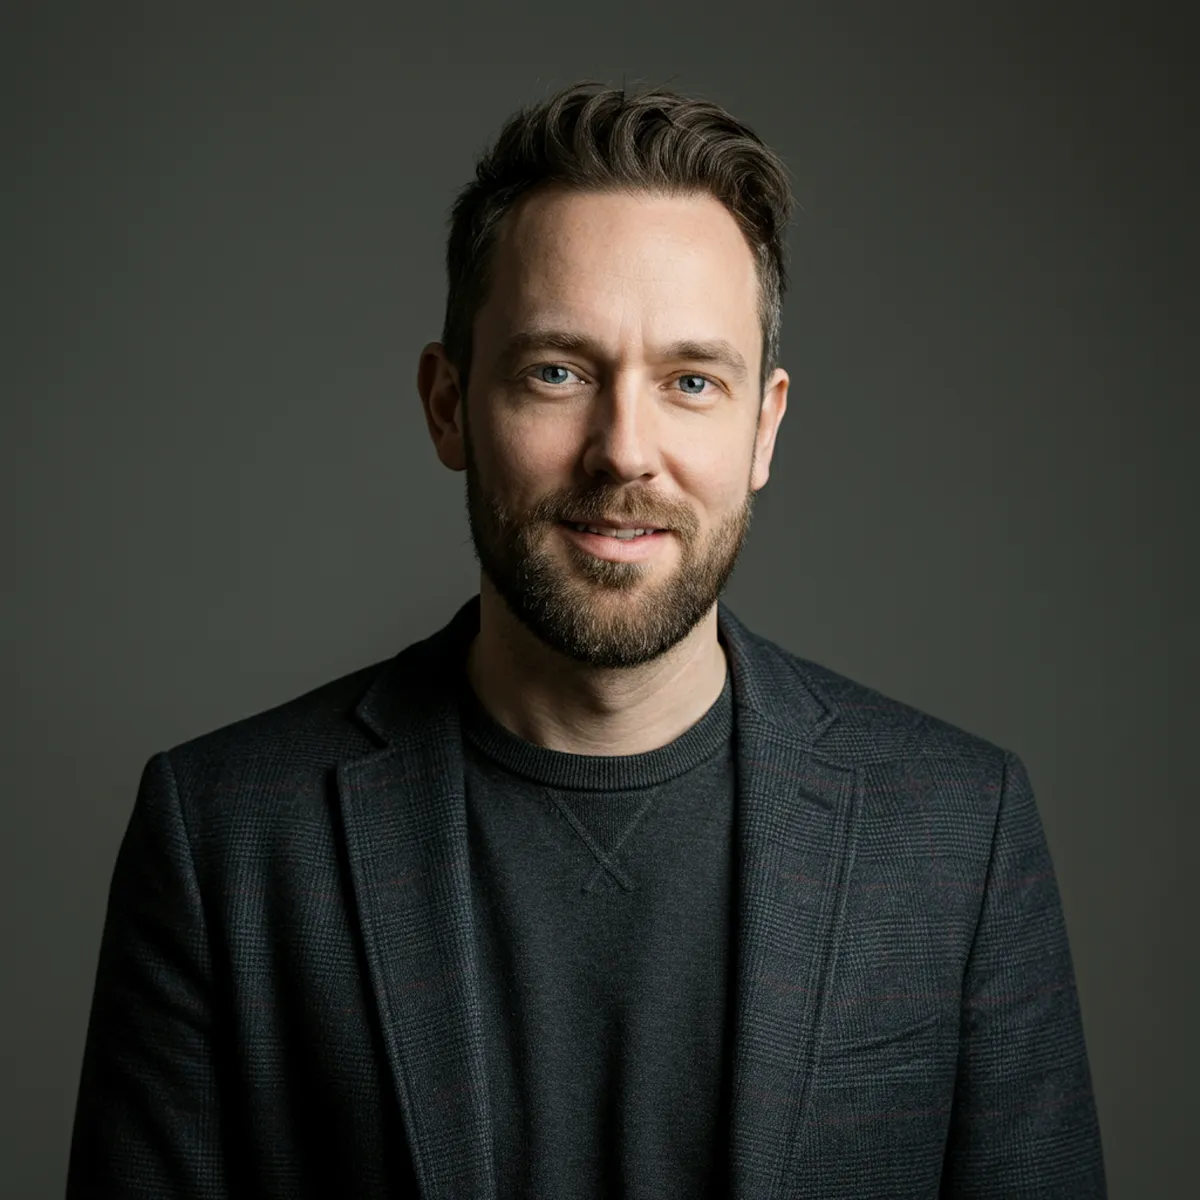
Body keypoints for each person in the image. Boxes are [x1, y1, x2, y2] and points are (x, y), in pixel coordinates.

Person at [67, 81, 1106, 1199]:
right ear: (448, 405)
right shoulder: (225, 837)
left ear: (765, 427)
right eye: (557, 372)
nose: (624, 451)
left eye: (691, 382)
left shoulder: (959, 835)